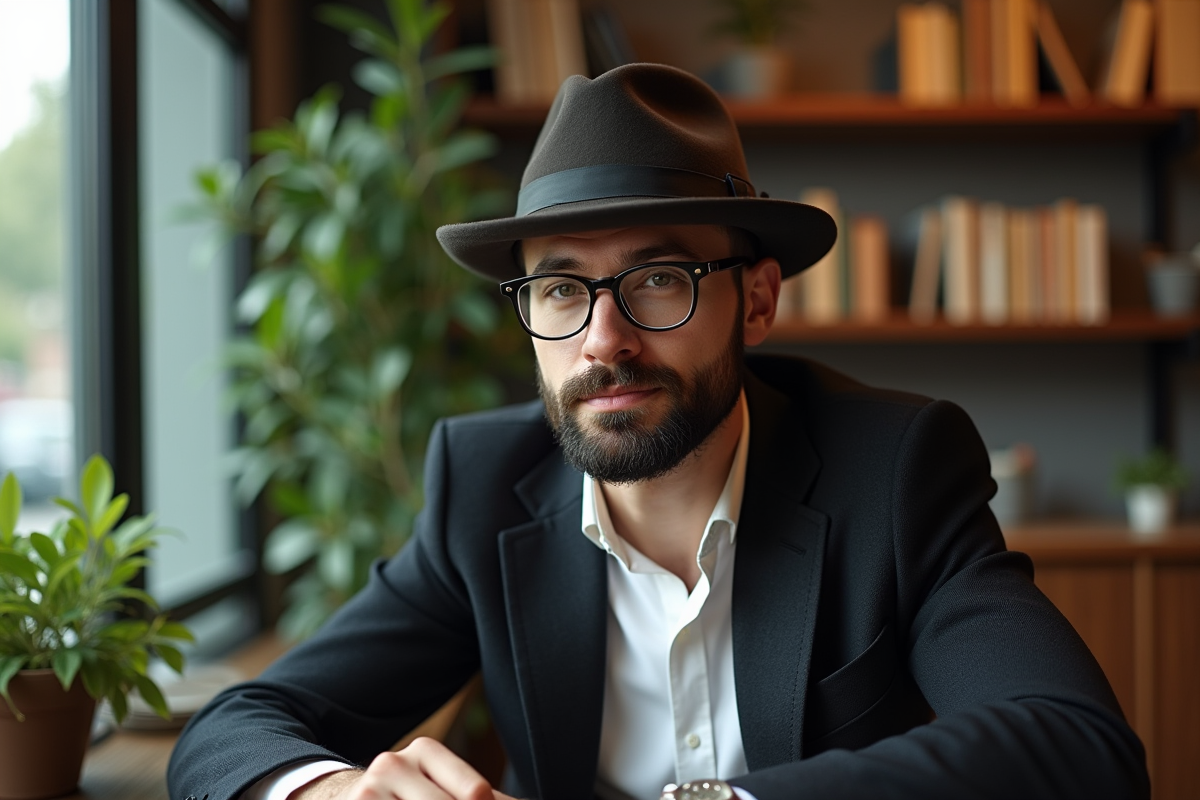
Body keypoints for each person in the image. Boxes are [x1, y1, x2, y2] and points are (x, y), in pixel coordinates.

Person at [168, 63, 1148, 800]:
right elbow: (235, 728)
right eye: (561, 288)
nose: (604, 340)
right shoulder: (482, 489)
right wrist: (331, 790)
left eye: (659, 279)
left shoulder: (892, 471)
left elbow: (1077, 741)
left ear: (756, 301)